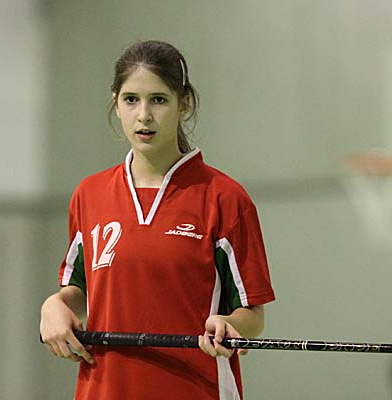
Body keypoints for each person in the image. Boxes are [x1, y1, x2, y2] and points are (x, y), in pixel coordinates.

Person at [39, 40, 275, 400]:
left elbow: (252, 314)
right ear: (116, 102)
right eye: (131, 99)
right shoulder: (89, 194)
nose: (144, 115)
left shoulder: (225, 198)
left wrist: (230, 324)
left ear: (184, 103)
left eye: (159, 100)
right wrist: (53, 306)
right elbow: (80, 292)